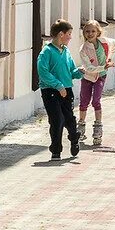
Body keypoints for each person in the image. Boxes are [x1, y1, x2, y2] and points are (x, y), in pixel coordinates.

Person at [36, 18, 84, 159]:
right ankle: (56, 150)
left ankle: (74, 138)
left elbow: (71, 70)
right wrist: (58, 85)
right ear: (61, 34)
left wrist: (79, 72)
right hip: (50, 91)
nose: (70, 37)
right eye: (69, 33)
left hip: (66, 89)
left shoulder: (66, 51)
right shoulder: (47, 52)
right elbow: (43, 72)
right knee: (57, 119)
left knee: (69, 119)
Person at [76, 20, 115, 147]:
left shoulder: (104, 42)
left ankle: (98, 126)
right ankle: (81, 124)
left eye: (93, 31)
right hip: (88, 76)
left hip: (100, 77)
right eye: (87, 31)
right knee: (84, 101)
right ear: (84, 33)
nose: (90, 34)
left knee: (96, 101)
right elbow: (89, 68)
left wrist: (109, 59)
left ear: (98, 32)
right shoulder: (83, 49)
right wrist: (104, 67)